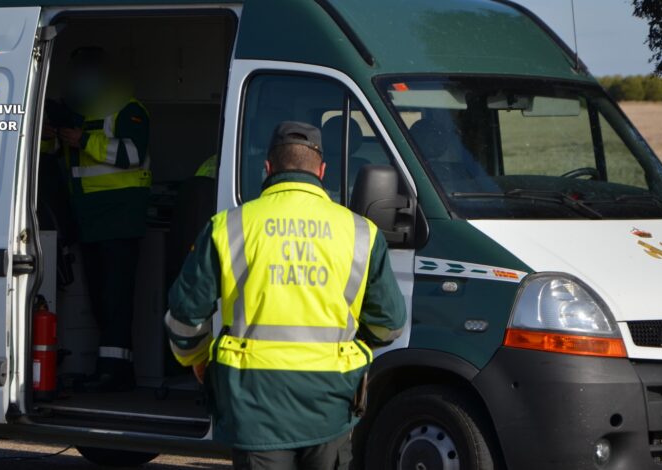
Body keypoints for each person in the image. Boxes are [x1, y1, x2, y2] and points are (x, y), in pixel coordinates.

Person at [165, 121, 407, 469]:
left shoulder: (228, 227)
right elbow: (390, 324)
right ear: (322, 171)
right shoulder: (361, 233)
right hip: (330, 405)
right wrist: (350, 346)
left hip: (253, 405)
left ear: (268, 168)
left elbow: (185, 317)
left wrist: (198, 359)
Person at [42, 46, 151, 391]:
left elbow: (132, 154)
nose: (80, 79)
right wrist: (52, 138)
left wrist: (84, 139)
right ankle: (110, 368)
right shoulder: (78, 111)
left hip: (120, 219)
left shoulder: (128, 109)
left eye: (86, 72)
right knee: (100, 299)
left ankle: (115, 373)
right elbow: (63, 161)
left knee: (116, 299)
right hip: (88, 220)